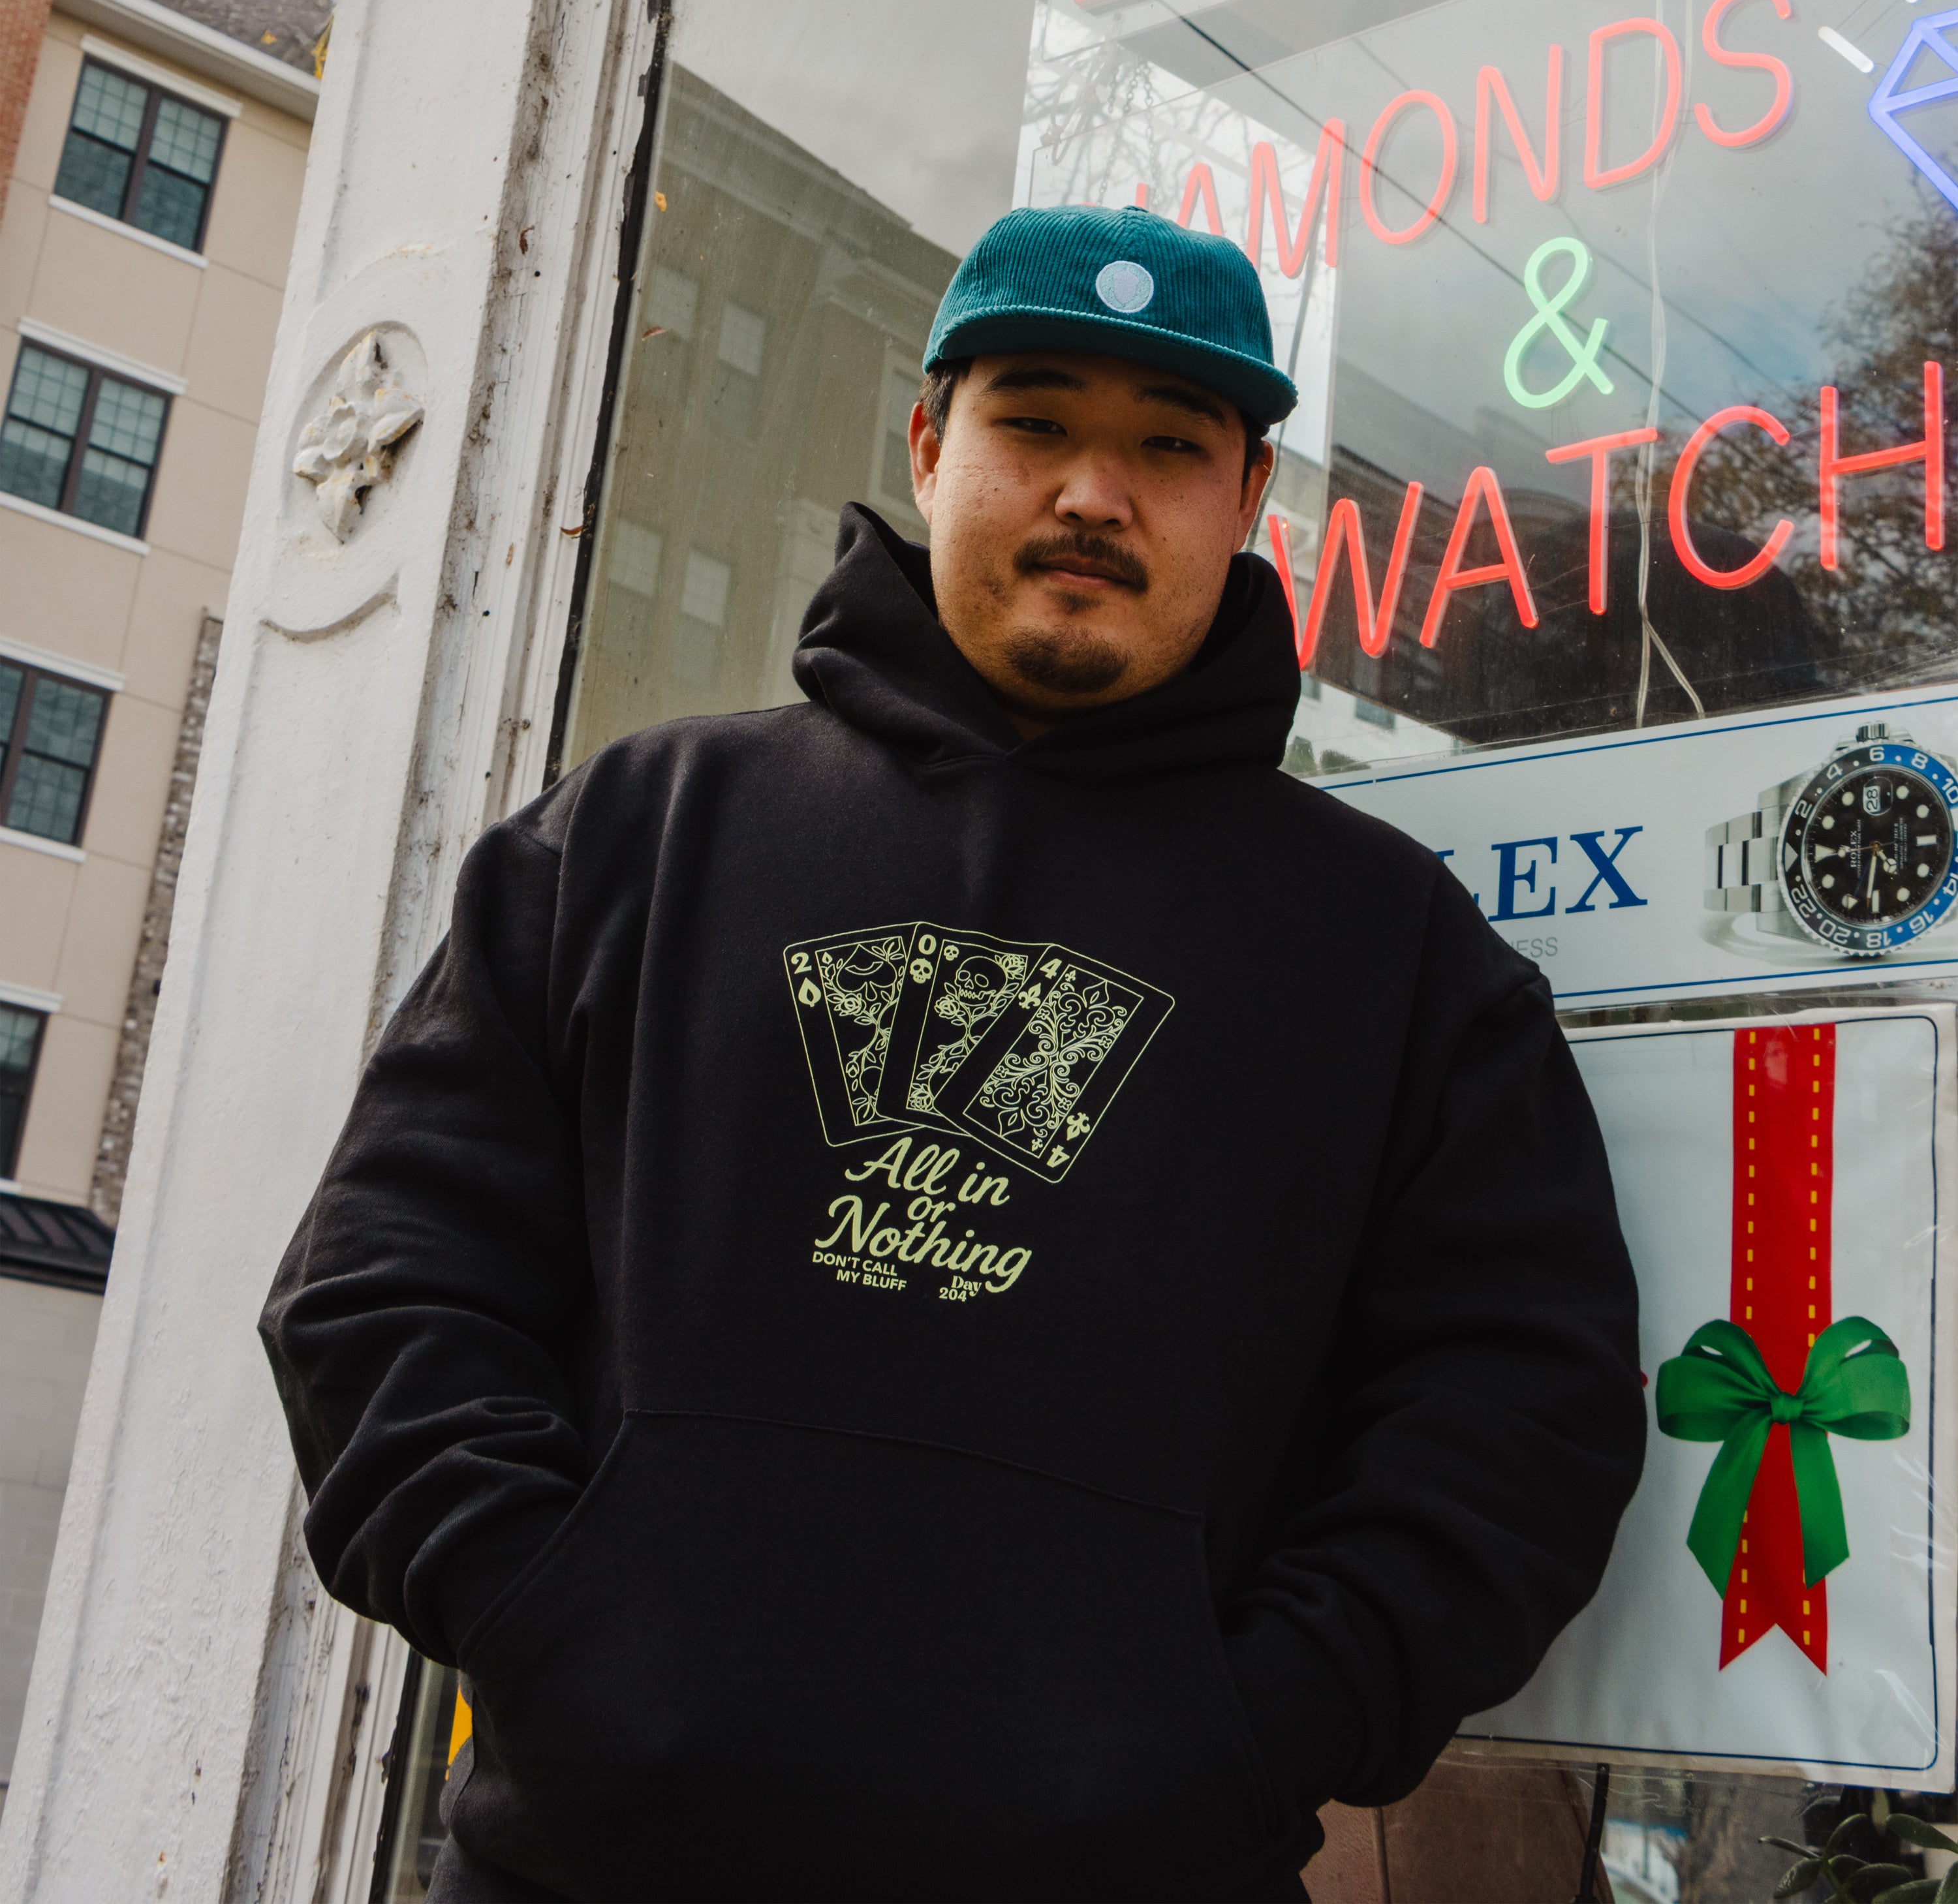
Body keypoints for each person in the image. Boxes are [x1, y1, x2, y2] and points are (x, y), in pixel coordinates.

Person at [260, 205, 1644, 1904]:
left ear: (1249, 501)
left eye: (1167, 445)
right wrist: (550, 1613)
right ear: (931, 441)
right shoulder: (638, 836)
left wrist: (1255, 1723)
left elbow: (1526, 1416)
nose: (1091, 492)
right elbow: (380, 1286)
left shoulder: (1397, 961)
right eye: (1036, 420)